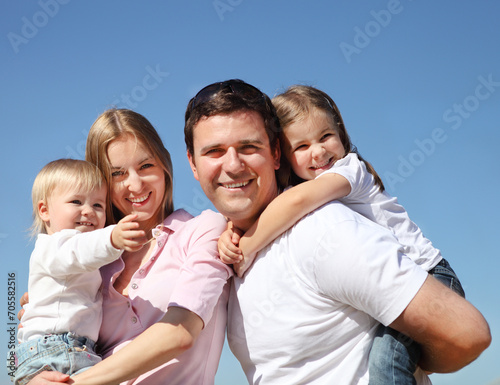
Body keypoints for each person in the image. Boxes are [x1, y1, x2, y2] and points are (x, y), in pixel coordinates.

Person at [184, 79, 491, 384]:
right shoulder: (226, 249)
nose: (233, 164)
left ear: (276, 154)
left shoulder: (323, 228)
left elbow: (467, 332)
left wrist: (405, 364)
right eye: (214, 151)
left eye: (249, 147)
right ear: (192, 164)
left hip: (432, 270)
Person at [21, 109, 233, 385]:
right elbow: (39, 336)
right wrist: (28, 379)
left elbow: (180, 334)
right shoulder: (95, 263)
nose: (135, 184)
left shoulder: (203, 230)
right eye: (118, 173)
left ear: (165, 166)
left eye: (146, 166)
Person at [11, 158, 144, 385]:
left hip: (62, 349)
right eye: (76, 201)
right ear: (44, 210)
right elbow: (80, 251)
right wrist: (112, 237)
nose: (88, 211)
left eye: (98, 205)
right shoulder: (55, 245)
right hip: (58, 349)